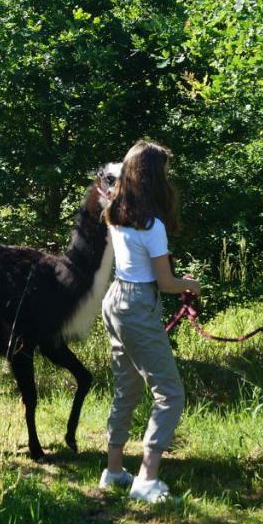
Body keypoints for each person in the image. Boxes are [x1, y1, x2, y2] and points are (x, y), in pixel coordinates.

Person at [97, 140, 201, 503]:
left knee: (127, 387)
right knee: (170, 393)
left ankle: (113, 471)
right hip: (139, 305)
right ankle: (146, 478)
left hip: (115, 300)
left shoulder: (114, 211)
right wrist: (191, 284)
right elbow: (167, 283)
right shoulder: (152, 225)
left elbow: (109, 179)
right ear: (156, 177)